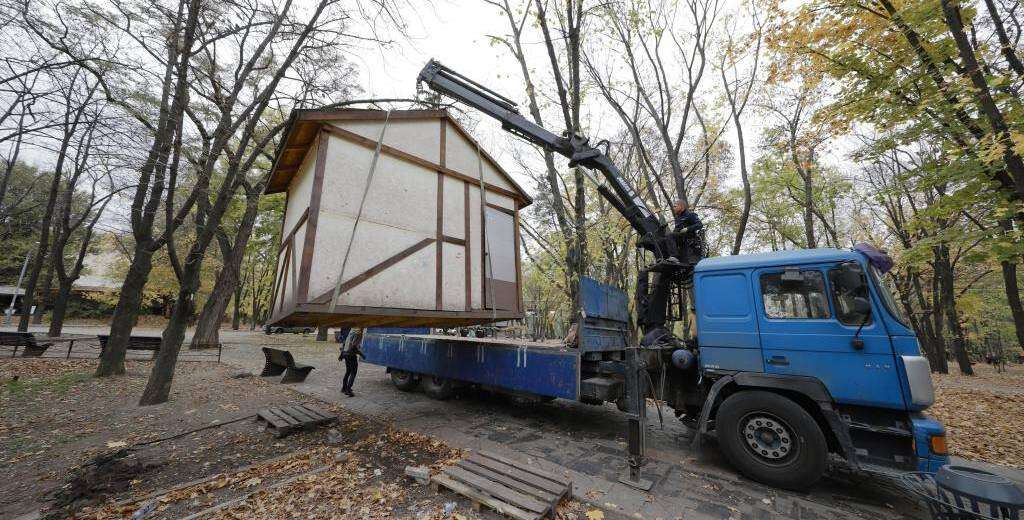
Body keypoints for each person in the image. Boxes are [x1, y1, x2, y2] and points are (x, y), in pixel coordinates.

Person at [667, 199, 703, 264]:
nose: (673, 208)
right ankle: (666, 258)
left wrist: (688, 228)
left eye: (675, 206)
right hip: (681, 238)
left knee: (670, 235)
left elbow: (699, 225)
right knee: (664, 239)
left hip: (689, 238)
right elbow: (676, 230)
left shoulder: (691, 215)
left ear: (681, 206)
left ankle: (674, 256)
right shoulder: (678, 218)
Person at [339, 327, 365, 396]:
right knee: (353, 373)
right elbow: (354, 347)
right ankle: (348, 390)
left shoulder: (351, 331)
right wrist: (361, 354)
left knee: (348, 372)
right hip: (351, 355)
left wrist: (341, 354)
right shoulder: (358, 333)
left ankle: (344, 388)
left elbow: (345, 344)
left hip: (345, 354)